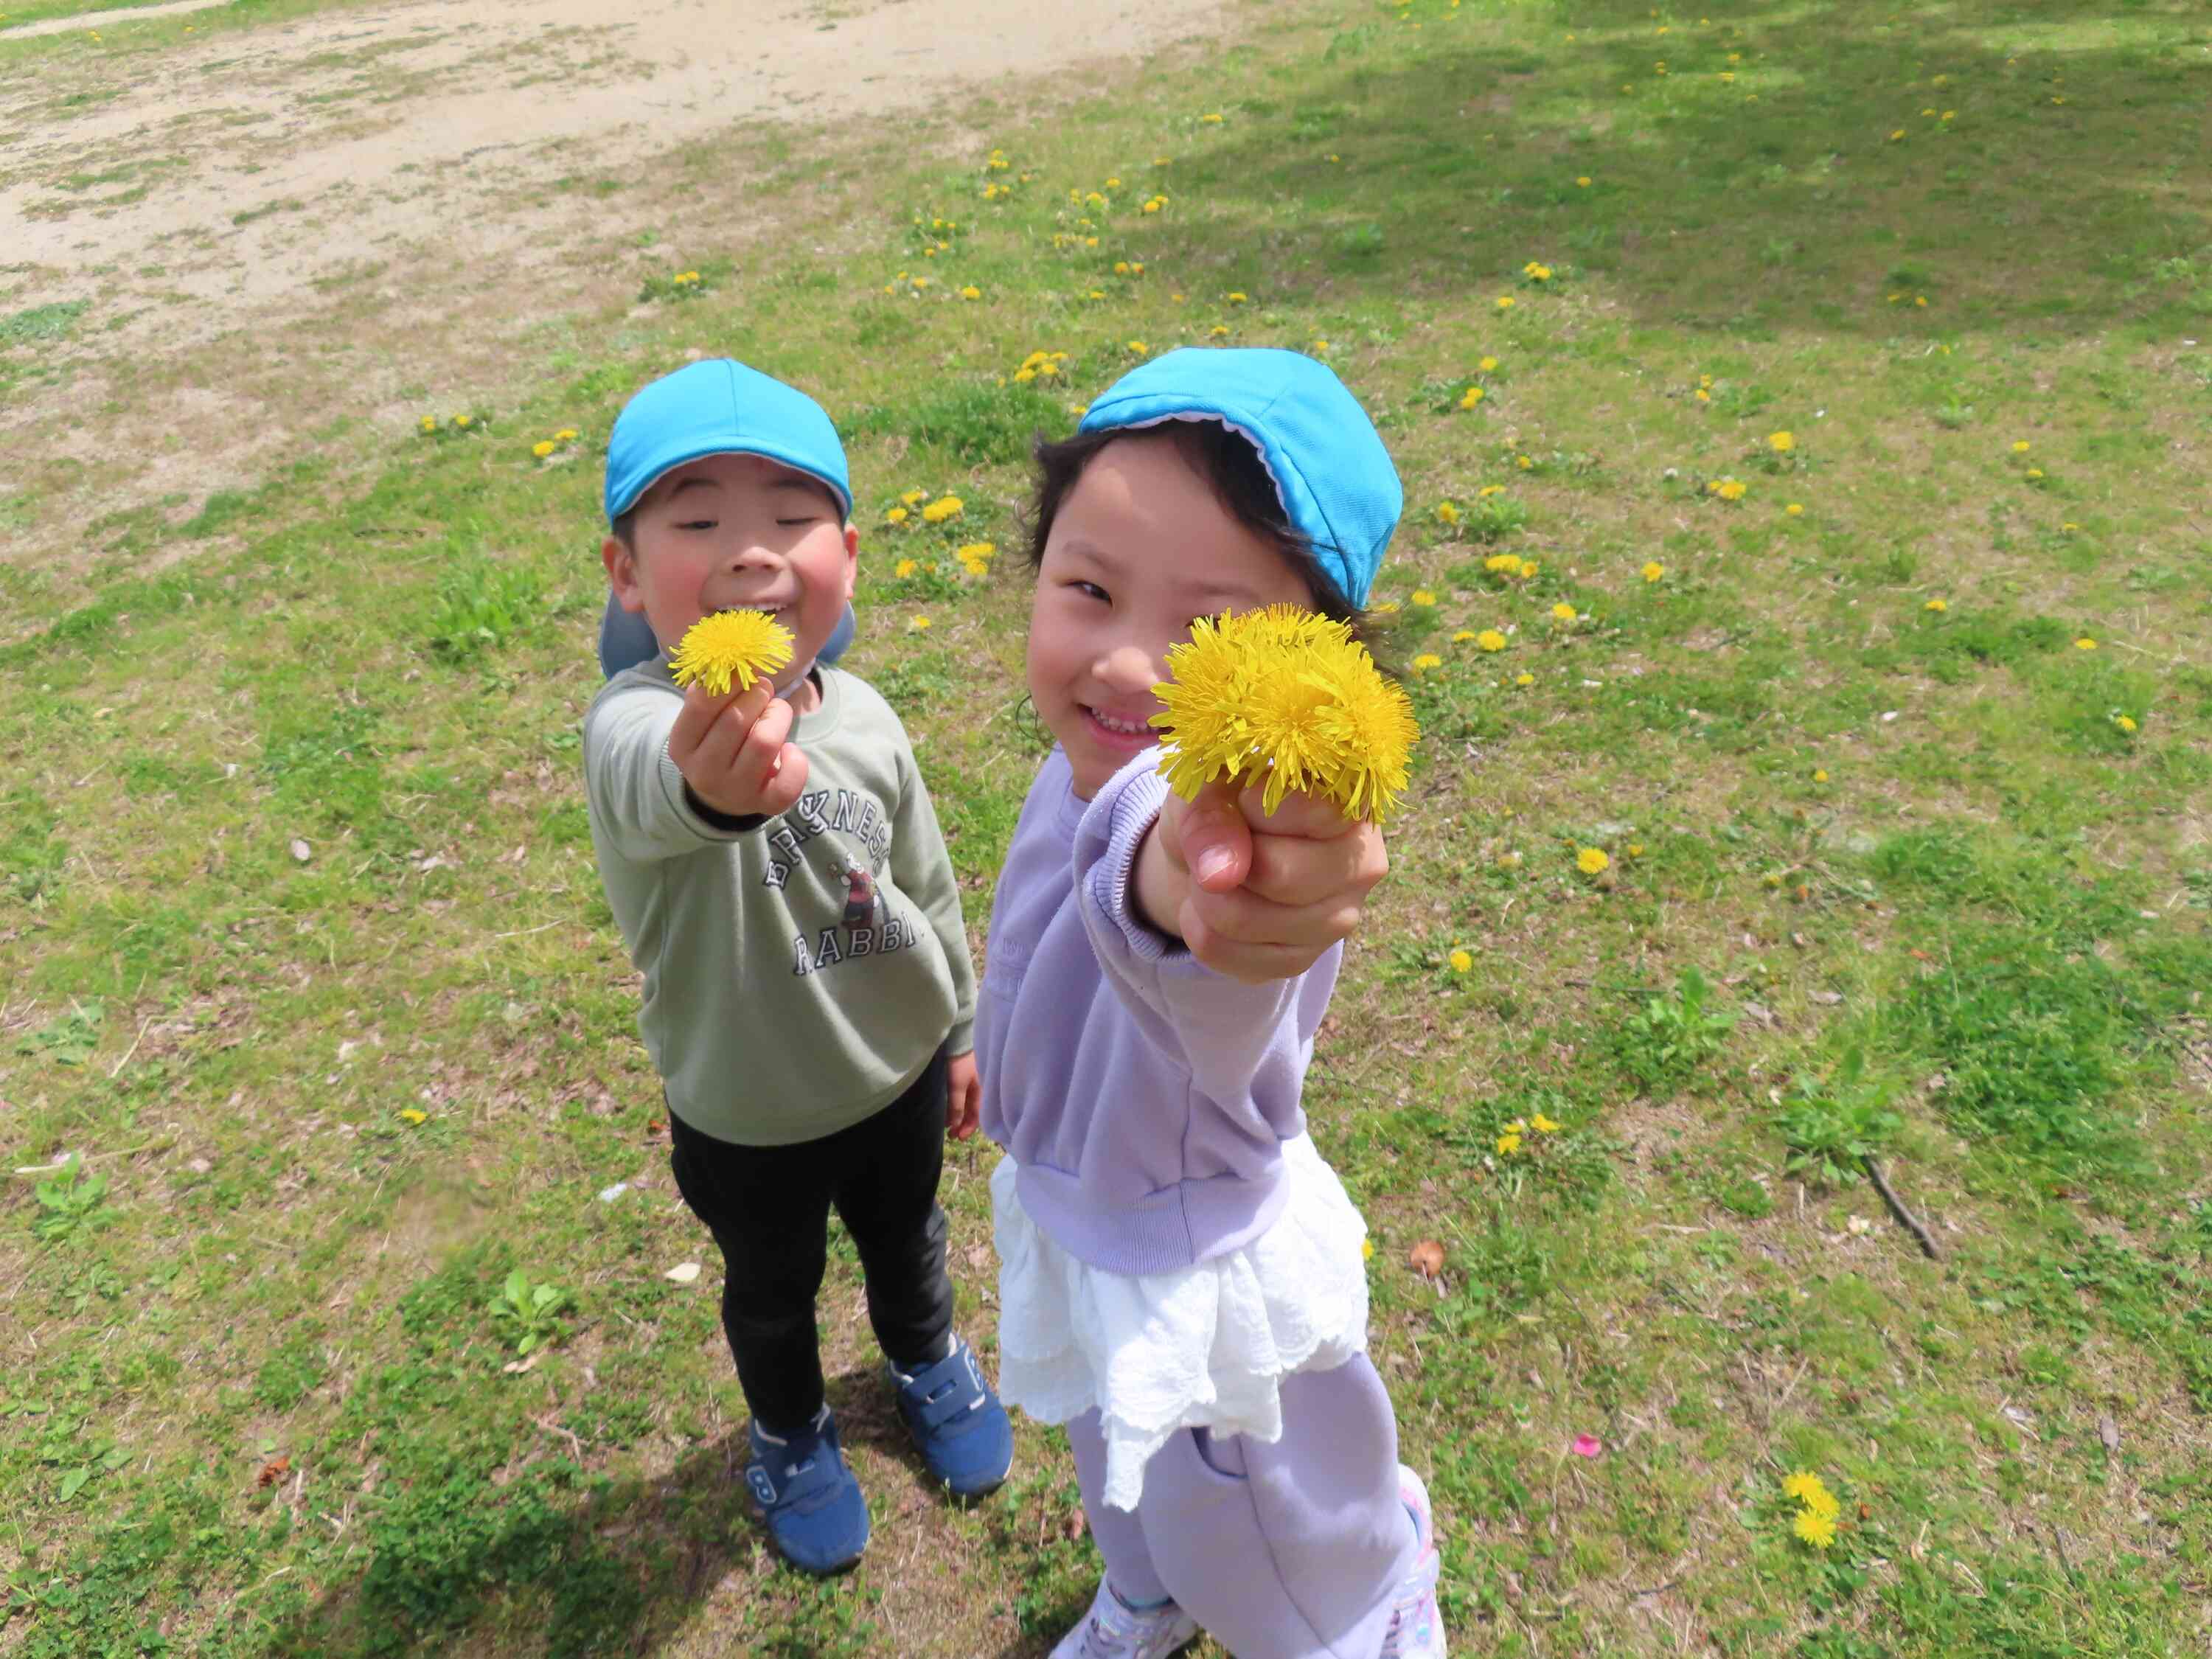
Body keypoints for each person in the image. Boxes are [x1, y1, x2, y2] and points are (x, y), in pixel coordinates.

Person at [976, 347, 1446, 1659]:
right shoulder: (1073, 763)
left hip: (1194, 1283)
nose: (1130, 664)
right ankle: (1144, 1590)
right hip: (1075, 1212)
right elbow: (1037, 939)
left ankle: (1380, 1607)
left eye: (1208, 632)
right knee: (1113, 1455)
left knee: (1281, 1546)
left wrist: (1198, 878)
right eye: (1089, 588)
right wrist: (988, 1056)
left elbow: (1171, 895)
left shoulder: (1204, 843)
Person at [580, 358, 1013, 1577]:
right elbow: (654, 786)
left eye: (789, 515)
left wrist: (963, 1029)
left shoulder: (868, 721)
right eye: (698, 518)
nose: (750, 551)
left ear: (850, 553)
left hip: (895, 1077)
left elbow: (927, 881)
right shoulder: (630, 728)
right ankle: (788, 1425)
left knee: (909, 1238)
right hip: (743, 1111)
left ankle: (923, 1357)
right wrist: (711, 783)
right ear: (625, 570)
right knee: (770, 1288)